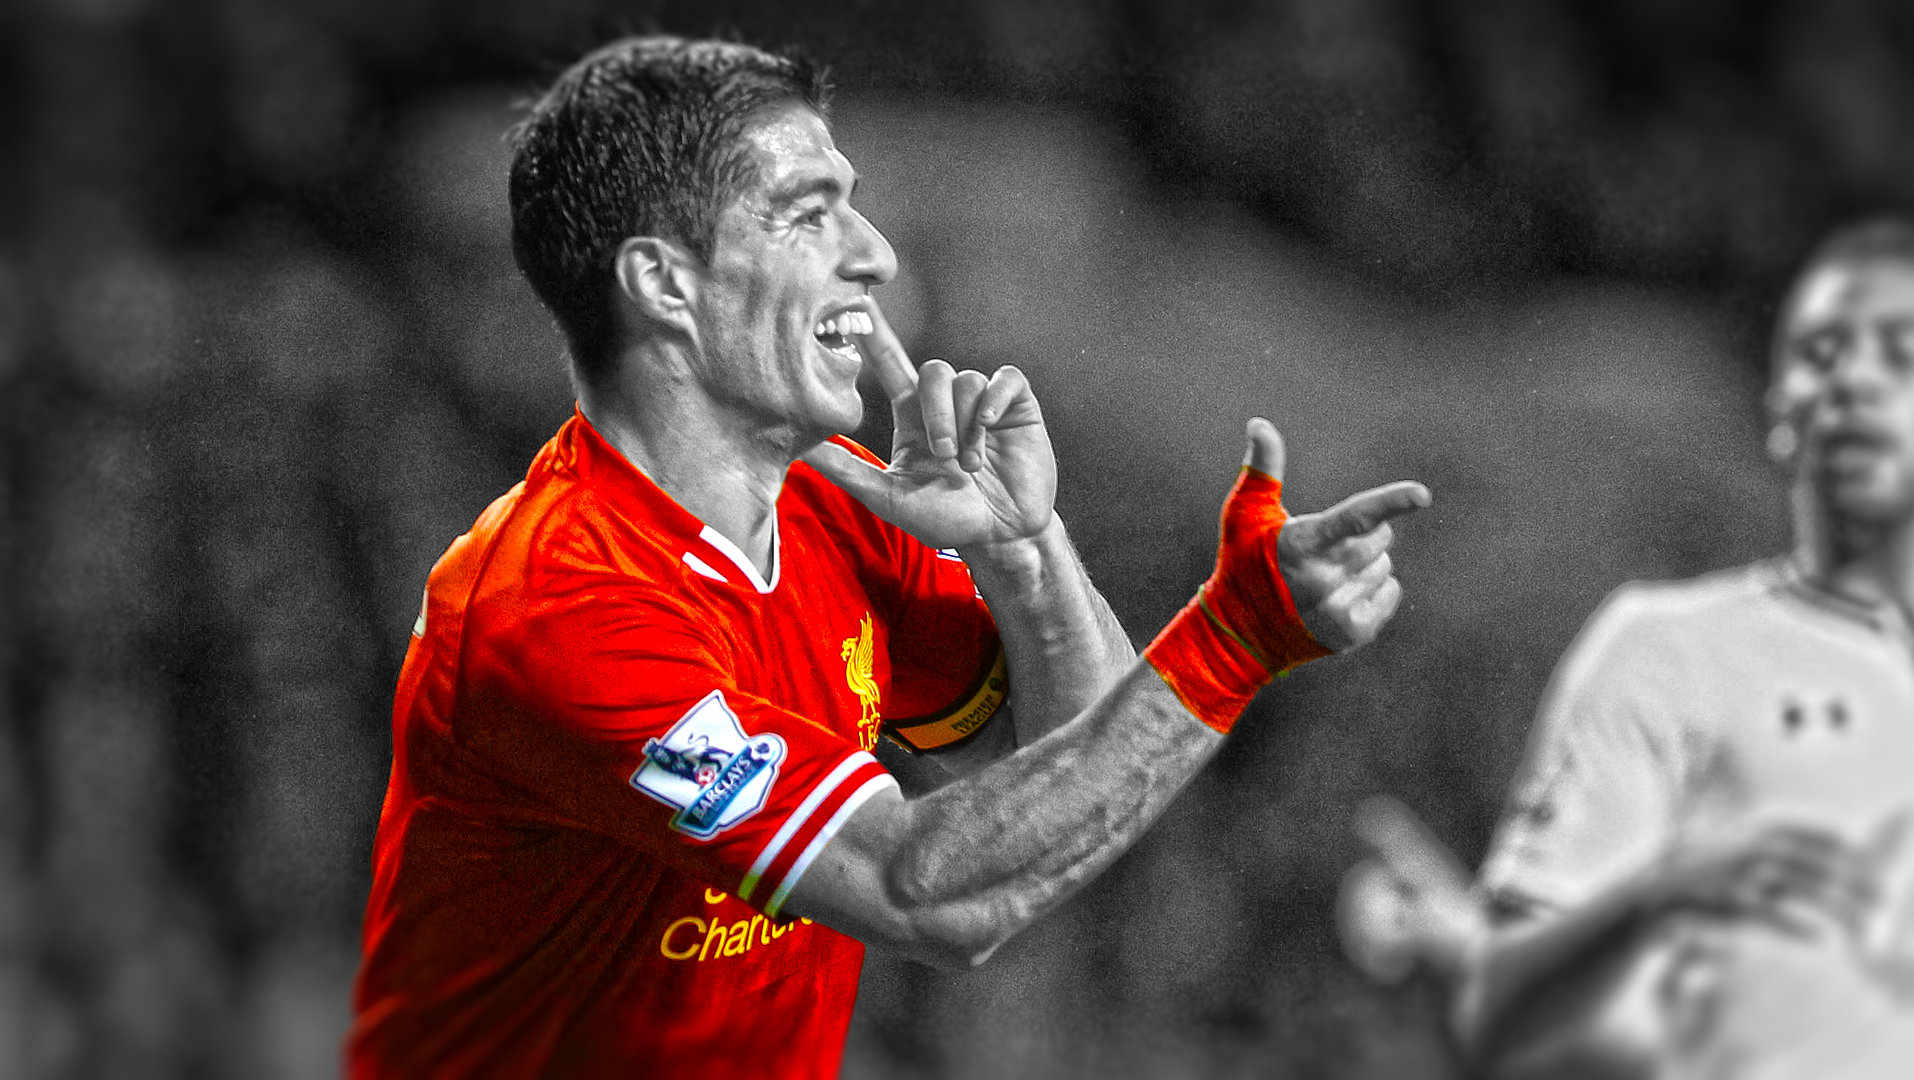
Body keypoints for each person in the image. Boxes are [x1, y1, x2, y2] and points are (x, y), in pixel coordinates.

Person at [349, 35, 1432, 1078]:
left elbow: (1072, 786)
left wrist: (1021, 548)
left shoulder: (830, 507)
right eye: (809, 215)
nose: (875, 254)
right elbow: (927, 896)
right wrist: (1233, 640)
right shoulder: (555, 608)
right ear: (666, 286)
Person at [1338, 219, 1914, 1079]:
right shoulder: (1667, 651)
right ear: (1782, 413)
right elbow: (1533, 1018)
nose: (1861, 387)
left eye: (1902, 354)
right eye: (1828, 352)